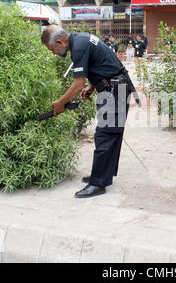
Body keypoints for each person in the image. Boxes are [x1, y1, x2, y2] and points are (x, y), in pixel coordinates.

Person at [41, 25, 134, 198]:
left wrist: (60, 103)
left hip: (116, 89)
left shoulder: (78, 46)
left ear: (59, 42)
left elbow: (77, 84)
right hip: (115, 86)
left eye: (52, 49)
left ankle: (98, 183)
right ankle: (102, 176)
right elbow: (104, 62)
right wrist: (93, 86)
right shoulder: (81, 39)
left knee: (104, 135)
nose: (53, 52)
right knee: (111, 135)